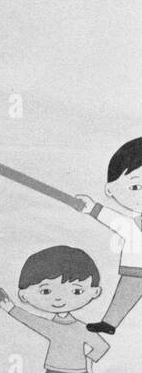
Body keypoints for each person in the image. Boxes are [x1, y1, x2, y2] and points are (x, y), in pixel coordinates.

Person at [0, 245, 109, 373]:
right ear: (24, 295)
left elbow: (101, 346)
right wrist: (11, 309)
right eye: (46, 291)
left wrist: (88, 360)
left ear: (94, 292)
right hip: (54, 371)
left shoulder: (81, 328)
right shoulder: (52, 326)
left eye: (76, 290)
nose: (58, 299)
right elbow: (33, 321)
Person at [77, 136, 142, 334]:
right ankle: (109, 323)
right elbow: (115, 220)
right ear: (110, 190)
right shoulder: (131, 224)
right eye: (135, 187)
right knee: (125, 294)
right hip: (136, 268)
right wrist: (92, 208)